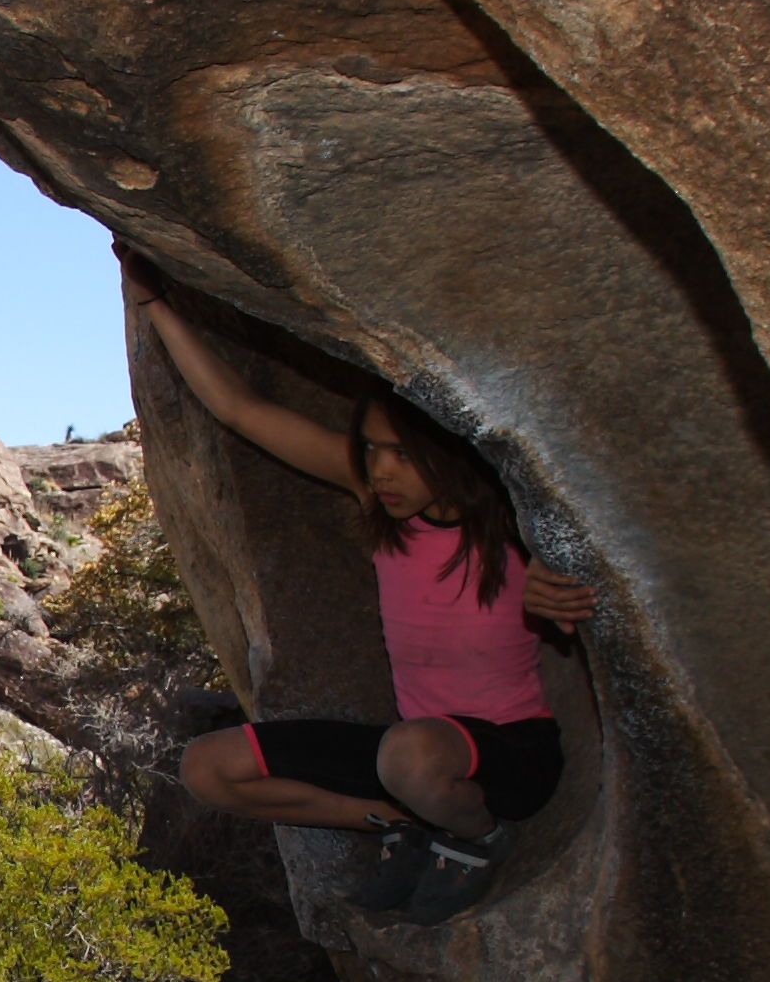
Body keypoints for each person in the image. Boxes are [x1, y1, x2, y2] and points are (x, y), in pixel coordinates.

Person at [124, 253, 598, 922]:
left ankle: (476, 836)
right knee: (208, 767)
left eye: (400, 454)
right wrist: (156, 307)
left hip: (508, 756)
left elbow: (572, 574)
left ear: (444, 453)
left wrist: (555, 585)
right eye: (372, 450)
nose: (380, 470)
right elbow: (237, 407)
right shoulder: (380, 510)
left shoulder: (514, 527)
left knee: (409, 753)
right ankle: (394, 820)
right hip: (411, 758)